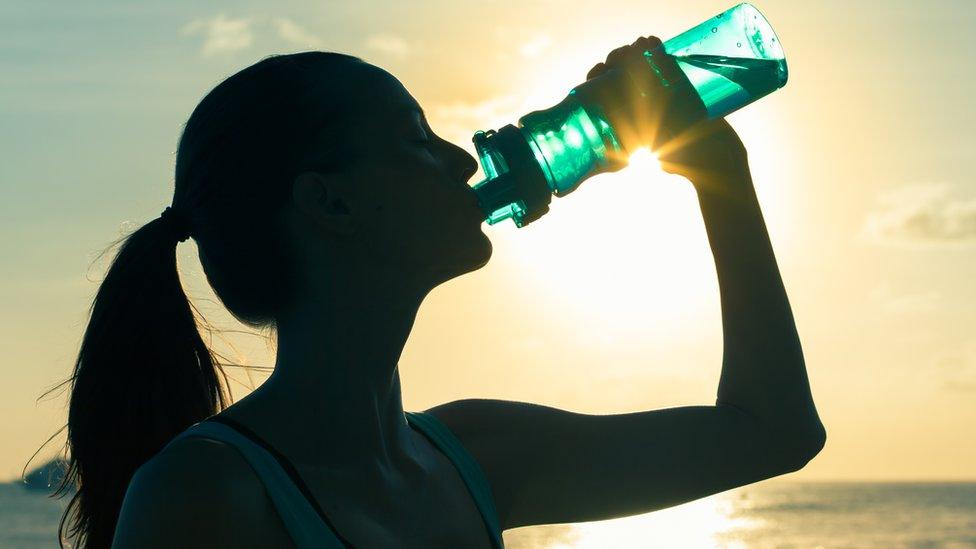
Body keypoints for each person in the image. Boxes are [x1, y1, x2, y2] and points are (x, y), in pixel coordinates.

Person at [52, 34, 824, 548]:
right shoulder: (202, 497)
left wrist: (720, 179)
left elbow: (773, 431)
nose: (460, 159)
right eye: (415, 139)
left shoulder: (474, 455)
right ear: (331, 203)